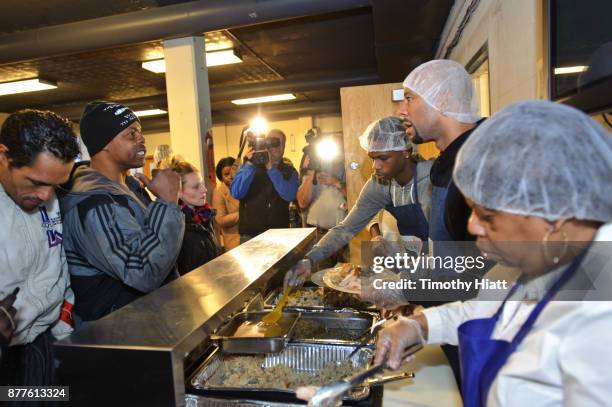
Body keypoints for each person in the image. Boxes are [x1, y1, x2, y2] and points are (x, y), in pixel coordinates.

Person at [374, 100, 612, 407]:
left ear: (552, 215)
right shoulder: (546, 257)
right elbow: (487, 310)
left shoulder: (599, 320)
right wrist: (419, 326)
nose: (473, 226)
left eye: (488, 217)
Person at [60, 101, 185, 322]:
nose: (141, 139)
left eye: (141, 132)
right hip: (115, 333)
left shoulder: (131, 187)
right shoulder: (94, 202)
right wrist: (166, 202)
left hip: (144, 322)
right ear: (104, 143)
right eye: (131, 134)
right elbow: (141, 271)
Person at [284, 116, 433, 290]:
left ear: (406, 152)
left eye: (383, 158)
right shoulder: (380, 184)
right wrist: (310, 259)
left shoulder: (430, 180)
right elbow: (346, 228)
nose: (375, 166)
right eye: (372, 158)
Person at [0, 110, 79, 388]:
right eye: (37, 182)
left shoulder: (45, 197)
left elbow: (56, 263)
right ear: (3, 157)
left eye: (56, 185)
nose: (47, 196)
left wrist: (63, 328)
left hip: (43, 347)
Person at [399, 59, 483, 243]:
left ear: (444, 100)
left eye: (409, 98)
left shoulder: (478, 165)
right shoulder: (450, 160)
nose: (401, 110)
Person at [230, 129, 299, 243]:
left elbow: (289, 195)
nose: (278, 146)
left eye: (282, 143)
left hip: (279, 236)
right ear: (265, 144)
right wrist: (250, 164)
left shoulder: (289, 171)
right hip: (250, 237)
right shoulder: (250, 167)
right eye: (274, 142)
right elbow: (236, 192)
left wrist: (271, 169)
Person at [296, 139, 348, 268]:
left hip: (344, 236)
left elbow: (358, 197)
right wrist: (310, 172)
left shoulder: (350, 168)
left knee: (346, 278)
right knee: (320, 280)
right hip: (319, 236)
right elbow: (302, 203)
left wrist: (336, 182)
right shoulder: (316, 171)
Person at [170, 159, 220, 274]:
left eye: (202, 184)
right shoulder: (176, 226)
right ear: (179, 192)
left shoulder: (205, 215)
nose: (204, 189)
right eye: (196, 187)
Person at [212, 157, 240, 251]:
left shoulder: (244, 185)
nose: (230, 176)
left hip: (252, 237)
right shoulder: (219, 192)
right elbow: (220, 219)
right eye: (226, 174)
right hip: (234, 242)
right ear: (221, 177)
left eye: (232, 172)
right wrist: (243, 214)